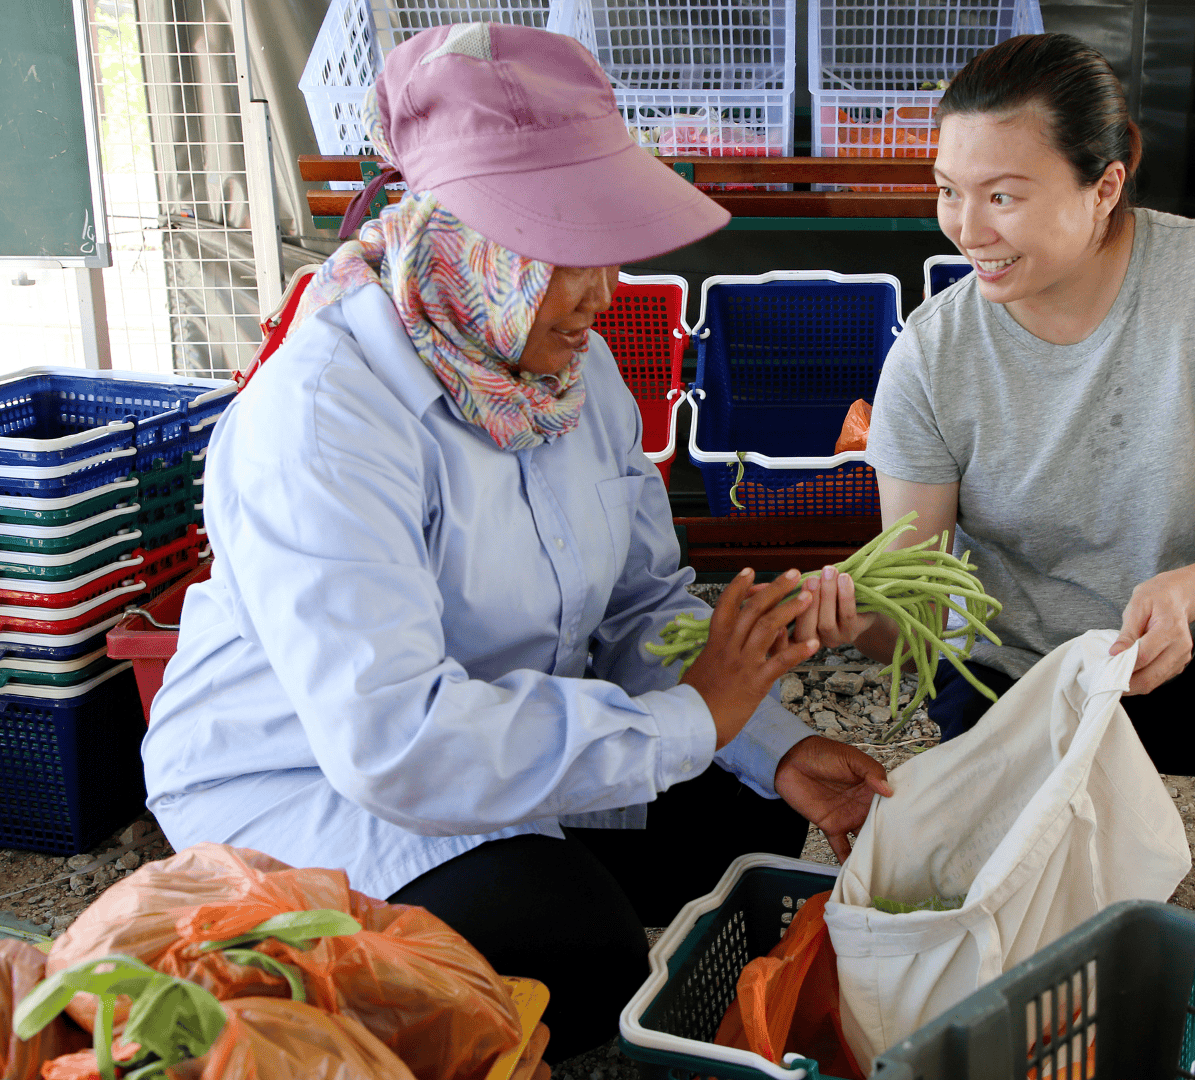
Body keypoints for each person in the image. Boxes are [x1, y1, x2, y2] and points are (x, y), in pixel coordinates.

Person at [140, 22, 889, 1062]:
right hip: (308, 772)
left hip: (482, 726)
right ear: (456, 237)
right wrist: (688, 723)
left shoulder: (566, 372)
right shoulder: (324, 413)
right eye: (564, 253)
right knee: (568, 940)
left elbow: (639, 605)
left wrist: (771, 740)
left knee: (743, 809)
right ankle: (300, 971)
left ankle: (512, 903)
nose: (604, 293)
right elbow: (391, 739)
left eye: (607, 251)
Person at [799, 33, 1195, 1079]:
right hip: (1017, 683)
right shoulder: (933, 353)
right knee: (1006, 927)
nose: (967, 228)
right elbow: (915, 577)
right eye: (949, 191)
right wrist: (851, 607)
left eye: (1004, 195)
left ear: (1105, 184)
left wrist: (1184, 588)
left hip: (1190, 651)